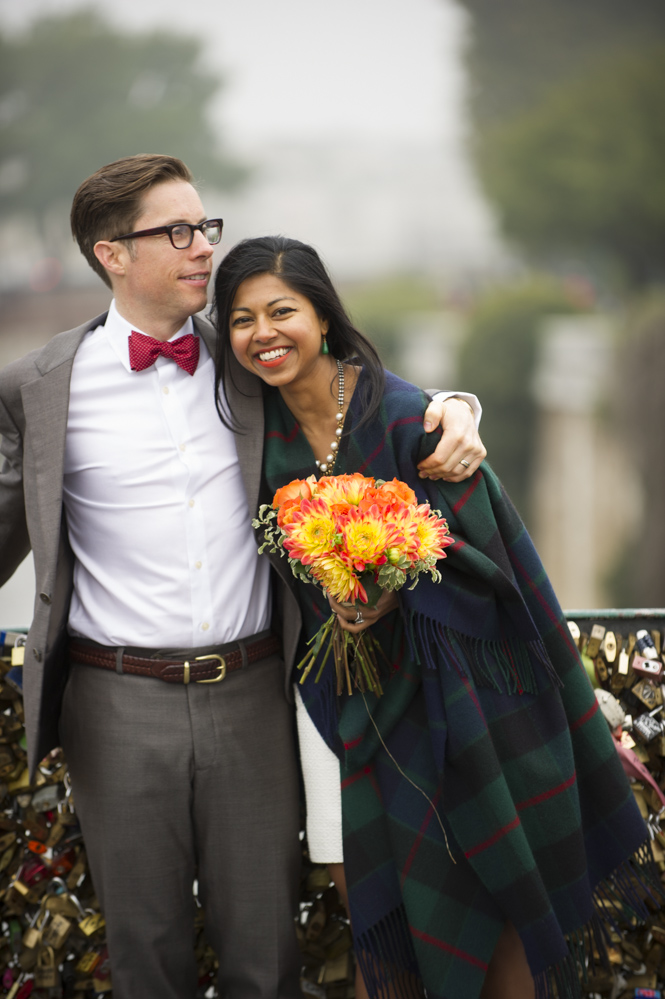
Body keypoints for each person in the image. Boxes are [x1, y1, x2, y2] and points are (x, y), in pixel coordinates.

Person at [0, 155, 484, 997]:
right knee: (146, 960)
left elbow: (357, 395)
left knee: (267, 955)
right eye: (177, 232)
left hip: (257, 692)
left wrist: (453, 405)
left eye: (205, 227)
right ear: (111, 253)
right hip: (114, 703)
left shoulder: (250, 361)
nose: (203, 250)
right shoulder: (39, 386)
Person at [211, 235, 658, 999]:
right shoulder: (251, 425)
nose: (264, 333)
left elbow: (488, 560)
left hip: (450, 701)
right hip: (333, 706)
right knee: (372, 904)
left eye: (281, 310)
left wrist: (395, 587)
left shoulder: (408, 417)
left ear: (322, 313)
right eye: (242, 318)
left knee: (488, 891)